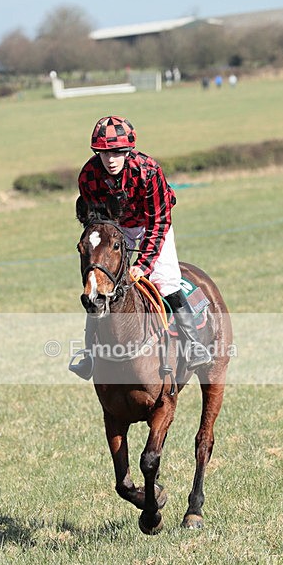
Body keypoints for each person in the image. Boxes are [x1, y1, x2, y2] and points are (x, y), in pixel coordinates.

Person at [70, 115, 211, 379]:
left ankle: (194, 346)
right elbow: (95, 221)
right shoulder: (88, 175)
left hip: (151, 225)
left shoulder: (148, 171)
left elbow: (160, 221)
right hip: (116, 228)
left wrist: (143, 265)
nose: (110, 159)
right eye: (104, 153)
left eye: (117, 152)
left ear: (127, 151)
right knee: (98, 285)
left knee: (166, 281)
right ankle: (89, 355)